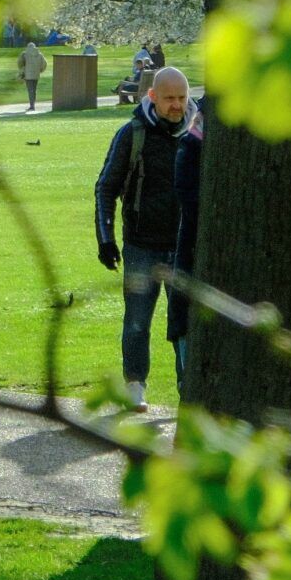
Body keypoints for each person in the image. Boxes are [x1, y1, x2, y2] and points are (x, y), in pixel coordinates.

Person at [94, 66, 199, 406]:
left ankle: (189, 390)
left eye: (182, 98)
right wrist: (105, 238)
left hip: (186, 247)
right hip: (141, 245)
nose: (176, 105)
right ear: (152, 97)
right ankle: (135, 385)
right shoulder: (132, 134)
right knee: (137, 322)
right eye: (169, 98)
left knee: (185, 324)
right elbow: (105, 187)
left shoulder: (198, 134)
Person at [19, 39, 46, 111]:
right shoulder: (40, 54)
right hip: (36, 74)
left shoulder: (24, 54)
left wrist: (22, 70)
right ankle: (33, 105)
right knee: (34, 90)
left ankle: (32, 106)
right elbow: (44, 64)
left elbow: (20, 63)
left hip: (28, 75)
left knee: (30, 90)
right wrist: (40, 70)